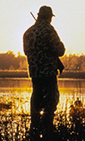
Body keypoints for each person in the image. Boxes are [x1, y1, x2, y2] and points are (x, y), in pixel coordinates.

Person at [23, 5, 65, 138]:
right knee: (50, 101)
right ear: (49, 17)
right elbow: (60, 51)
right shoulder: (49, 30)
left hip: (35, 73)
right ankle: (47, 130)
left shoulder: (28, 32)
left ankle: (34, 129)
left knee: (36, 99)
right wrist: (61, 46)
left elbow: (26, 52)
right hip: (48, 73)